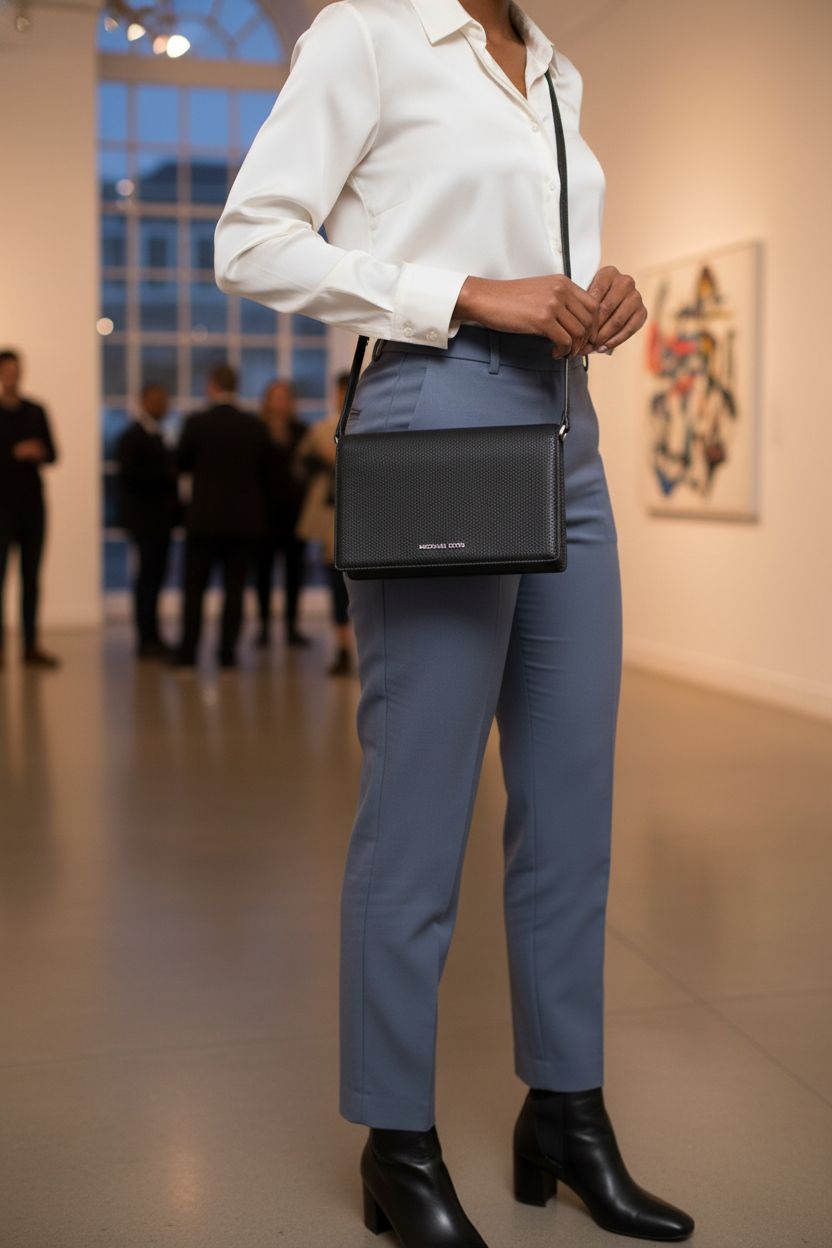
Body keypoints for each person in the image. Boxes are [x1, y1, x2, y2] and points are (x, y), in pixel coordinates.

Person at [214, 1, 695, 1244]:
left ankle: (567, 1112)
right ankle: (398, 1146)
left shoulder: (554, 68)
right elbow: (251, 242)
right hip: (435, 412)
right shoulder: (369, 33)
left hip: (564, 428)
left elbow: (537, 260)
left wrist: (596, 293)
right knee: (419, 812)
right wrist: (473, 293)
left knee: (571, 803)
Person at [173, 362, 271, 671]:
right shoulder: (254, 425)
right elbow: (264, 471)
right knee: (235, 589)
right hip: (243, 521)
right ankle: (227, 653)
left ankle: (188, 652)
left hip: (204, 519)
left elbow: (180, 464)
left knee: (194, 589)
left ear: (212, 385)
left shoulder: (197, 422)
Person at [0, 348, 60, 670]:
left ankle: (30, 645)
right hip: (2, 507)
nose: (12, 376)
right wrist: (14, 453)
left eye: (16, 370)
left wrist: (39, 451)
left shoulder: (36, 411)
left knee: (31, 577)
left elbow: (54, 454)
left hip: (32, 506)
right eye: (7, 370)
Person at [294, 371, 355, 677]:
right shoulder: (322, 429)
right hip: (332, 517)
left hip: (360, 512)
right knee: (335, 583)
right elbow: (303, 463)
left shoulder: (363, 426)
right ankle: (343, 647)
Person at [115, 381, 180, 660]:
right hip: (145, 521)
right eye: (156, 400)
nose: (162, 405)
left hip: (161, 521)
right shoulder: (133, 436)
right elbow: (130, 477)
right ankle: (146, 638)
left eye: (164, 400)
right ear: (143, 402)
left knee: (155, 578)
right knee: (147, 579)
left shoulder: (159, 435)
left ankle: (153, 635)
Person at [254, 378, 311, 650]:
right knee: (263, 573)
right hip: (264, 515)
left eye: (284, 397)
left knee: (294, 572)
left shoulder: (301, 431)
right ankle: (263, 626)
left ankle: (291, 627)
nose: (280, 402)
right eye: (275, 397)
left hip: (294, 514)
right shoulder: (257, 432)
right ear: (267, 401)